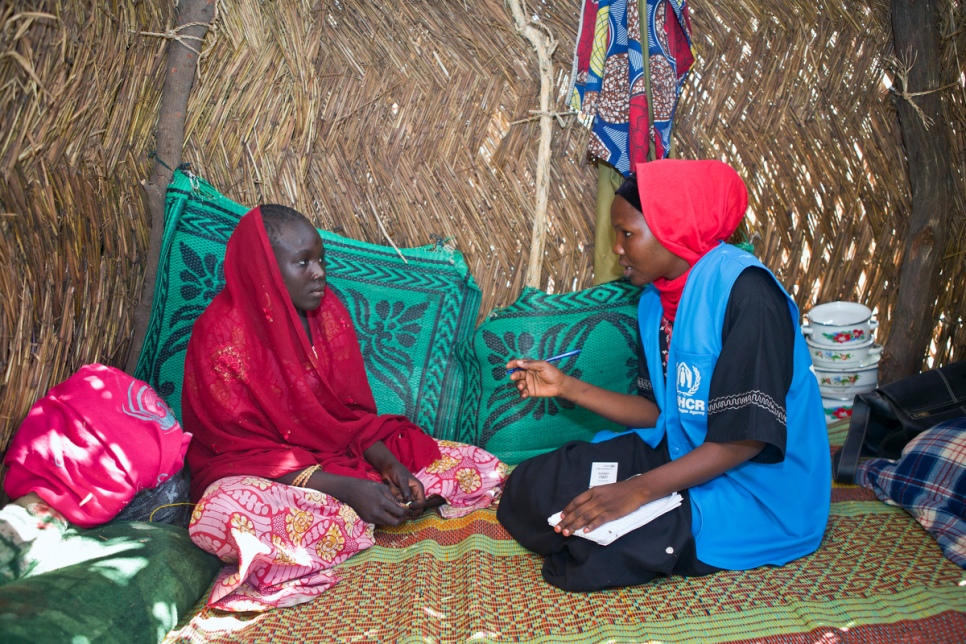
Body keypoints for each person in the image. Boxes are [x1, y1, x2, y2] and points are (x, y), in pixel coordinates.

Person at [496, 159, 831, 591]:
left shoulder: (750, 296)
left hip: (756, 488)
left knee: (593, 556)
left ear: (673, 228)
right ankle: (631, 510)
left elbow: (746, 439)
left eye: (627, 233)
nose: (617, 248)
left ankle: (650, 517)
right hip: (680, 452)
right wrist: (566, 387)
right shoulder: (655, 302)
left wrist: (638, 491)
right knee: (530, 487)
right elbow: (658, 413)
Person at [182, 204, 506, 612]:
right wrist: (346, 488)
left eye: (321, 260)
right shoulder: (219, 337)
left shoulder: (326, 313)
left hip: (340, 462)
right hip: (267, 480)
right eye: (303, 262)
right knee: (224, 510)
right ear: (262, 267)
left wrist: (391, 469)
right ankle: (354, 513)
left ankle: (368, 510)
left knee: (468, 461)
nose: (319, 273)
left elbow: (350, 419)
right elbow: (235, 453)